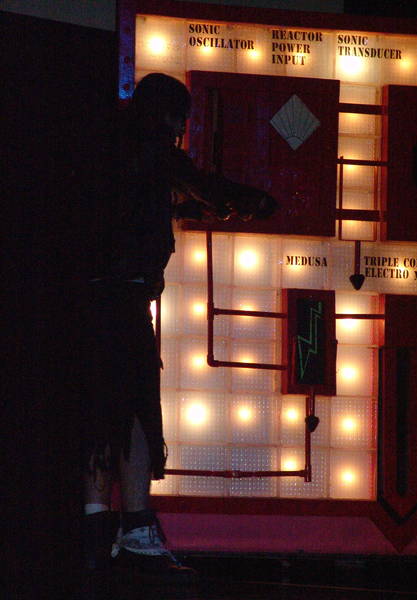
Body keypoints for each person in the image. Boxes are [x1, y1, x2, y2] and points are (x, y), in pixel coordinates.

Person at [80, 73, 276, 583]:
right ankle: (137, 530)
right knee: (138, 411)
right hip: (127, 296)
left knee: (100, 416)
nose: (181, 130)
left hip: (89, 297)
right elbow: (202, 187)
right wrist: (253, 200)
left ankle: (94, 532)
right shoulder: (153, 148)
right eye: (179, 119)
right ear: (167, 115)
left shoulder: (103, 149)